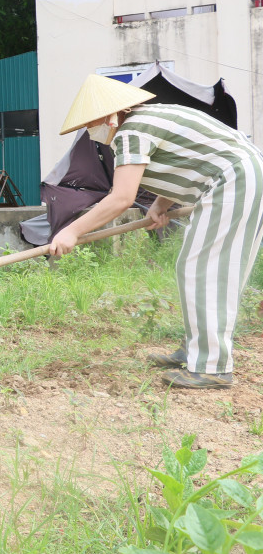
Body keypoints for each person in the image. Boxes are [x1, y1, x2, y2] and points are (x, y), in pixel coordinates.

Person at [50, 74, 263, 389]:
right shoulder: (150, 120)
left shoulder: (132, 130)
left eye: (91, 122)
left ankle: (212, 367)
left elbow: (121, 198)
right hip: (237, 174)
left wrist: (71, 231)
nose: (90, 131)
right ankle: (197, 350)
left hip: (235, 180)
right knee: (194, 268)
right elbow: (186, 163)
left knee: (207, 271)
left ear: (111, 115)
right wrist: (161, 205)